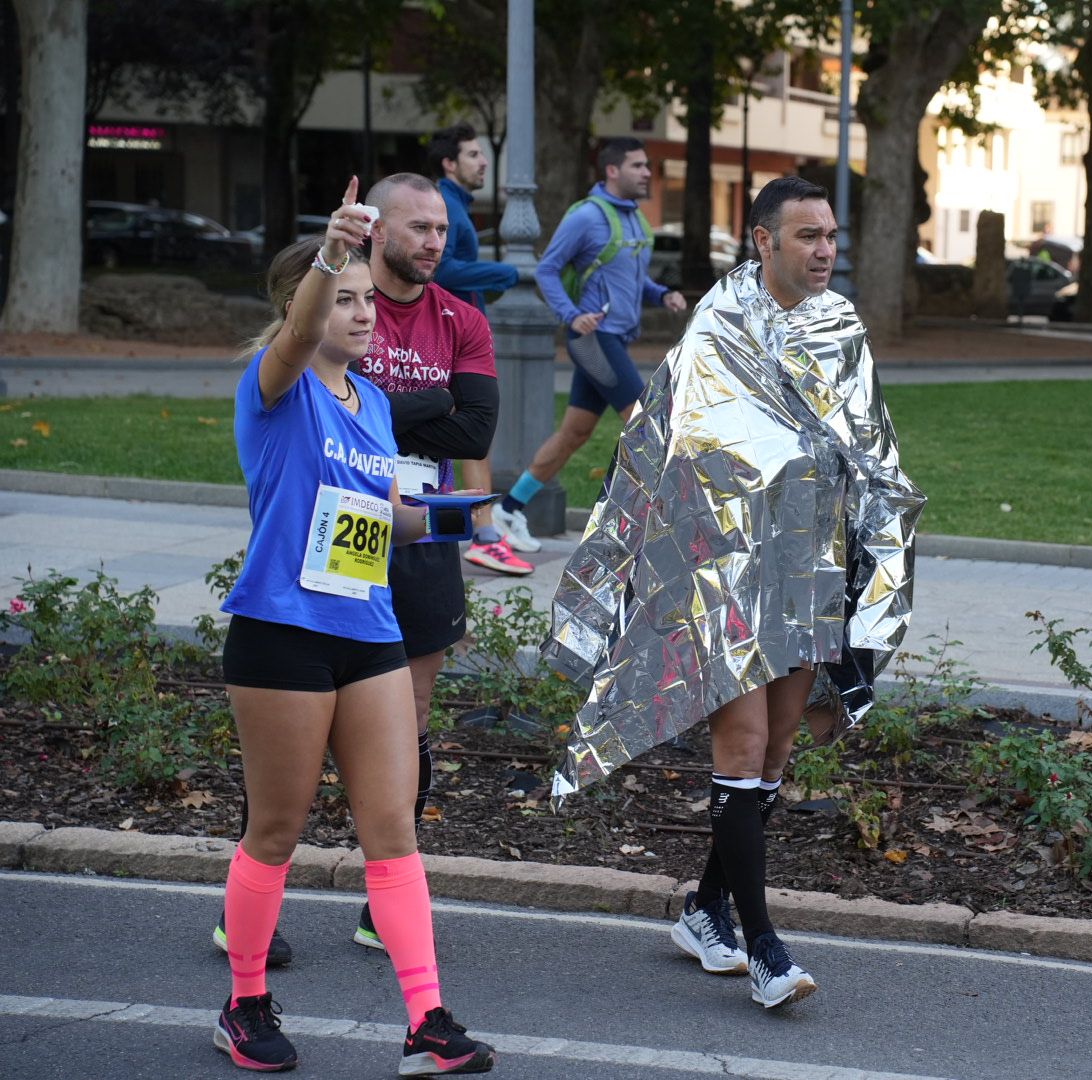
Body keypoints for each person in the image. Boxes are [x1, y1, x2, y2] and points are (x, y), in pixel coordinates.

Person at [543, 176, 925, 1010]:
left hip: (807, 565)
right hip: (721, 572)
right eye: (807, 237)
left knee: (775, 757)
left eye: (831, 237)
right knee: (742, 750)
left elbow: (868, 443)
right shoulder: (719, 324)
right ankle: (765, 948)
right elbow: (672, 445)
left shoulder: (841, 324)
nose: (825, 251)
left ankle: (705, 912)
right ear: (762, 241)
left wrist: (876, 538)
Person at [213, 177, 494, 1074]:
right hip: (281, 631)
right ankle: (245, 1003)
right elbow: (296, 338)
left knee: (393, 829)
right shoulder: (274, 385)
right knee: (278, 831)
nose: (365, 313)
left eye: (368, 298)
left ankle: (428, 1021)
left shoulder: (369, 404)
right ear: (307, 305)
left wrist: (464, 515)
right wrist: (331, 252)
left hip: (368, 628)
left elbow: (384, 513)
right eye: (345, 299)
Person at [487, 136, 688, 549]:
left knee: (574, 433)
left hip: (615, 339)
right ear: (612, 170)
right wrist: (571, 315)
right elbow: (546, 270)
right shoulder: (586, 217)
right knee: (646, 427)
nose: (647, 172)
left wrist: (660, 293)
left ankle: (508, 509)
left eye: (647, 165)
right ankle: (657, 526)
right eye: (638, 166)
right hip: (593, 341)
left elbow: (631, 280)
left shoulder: (636, 219)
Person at [424, 122, 532, 574]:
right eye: (472, 154)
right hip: (454, 335)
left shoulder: (456, 205)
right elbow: (443, 270)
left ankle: (474, 528)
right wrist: (505, 274)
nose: (483, 161)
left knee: (470, 433)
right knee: (475, 432)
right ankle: (484, 534)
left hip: (460, 331)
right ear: (450, 164)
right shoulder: (446, 203)